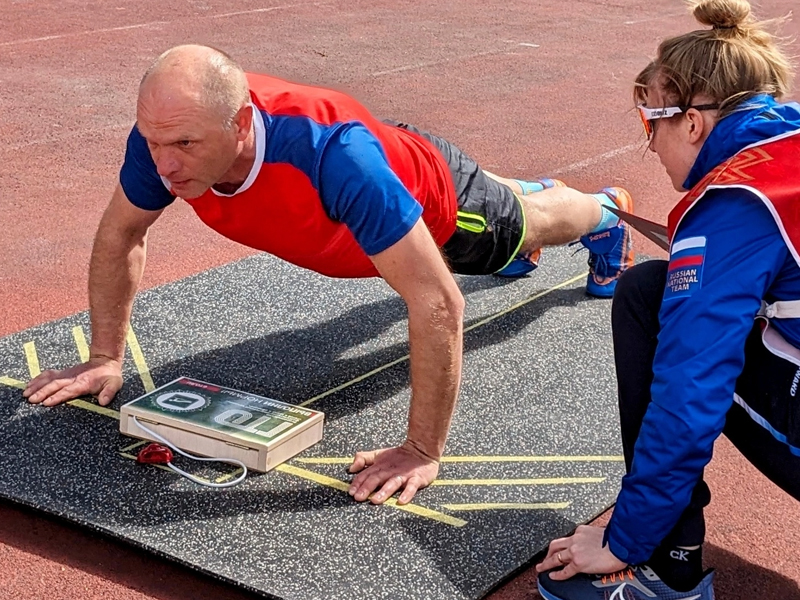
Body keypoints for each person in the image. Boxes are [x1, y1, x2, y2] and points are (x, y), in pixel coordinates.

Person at [22, 44, 633, 506]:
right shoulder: (164, 133)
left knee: (527, 228)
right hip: (383, 164)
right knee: (492, 198)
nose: (164, 163)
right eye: (154, 142)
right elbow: (119, 233)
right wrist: (104, 355)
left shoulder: (332, 158)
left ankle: (604, 212)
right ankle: (517, 189)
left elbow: (438, 302)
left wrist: (421, 451)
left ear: (238, 124)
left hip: (439, 204)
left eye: (182, 143)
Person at [536, 1, 799, 598]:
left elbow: (690, 388)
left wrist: (624, 535)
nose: (650, 146)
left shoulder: (739, 200)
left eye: (648, 124)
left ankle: (663, 561)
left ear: (693, 122)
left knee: (646, 298)